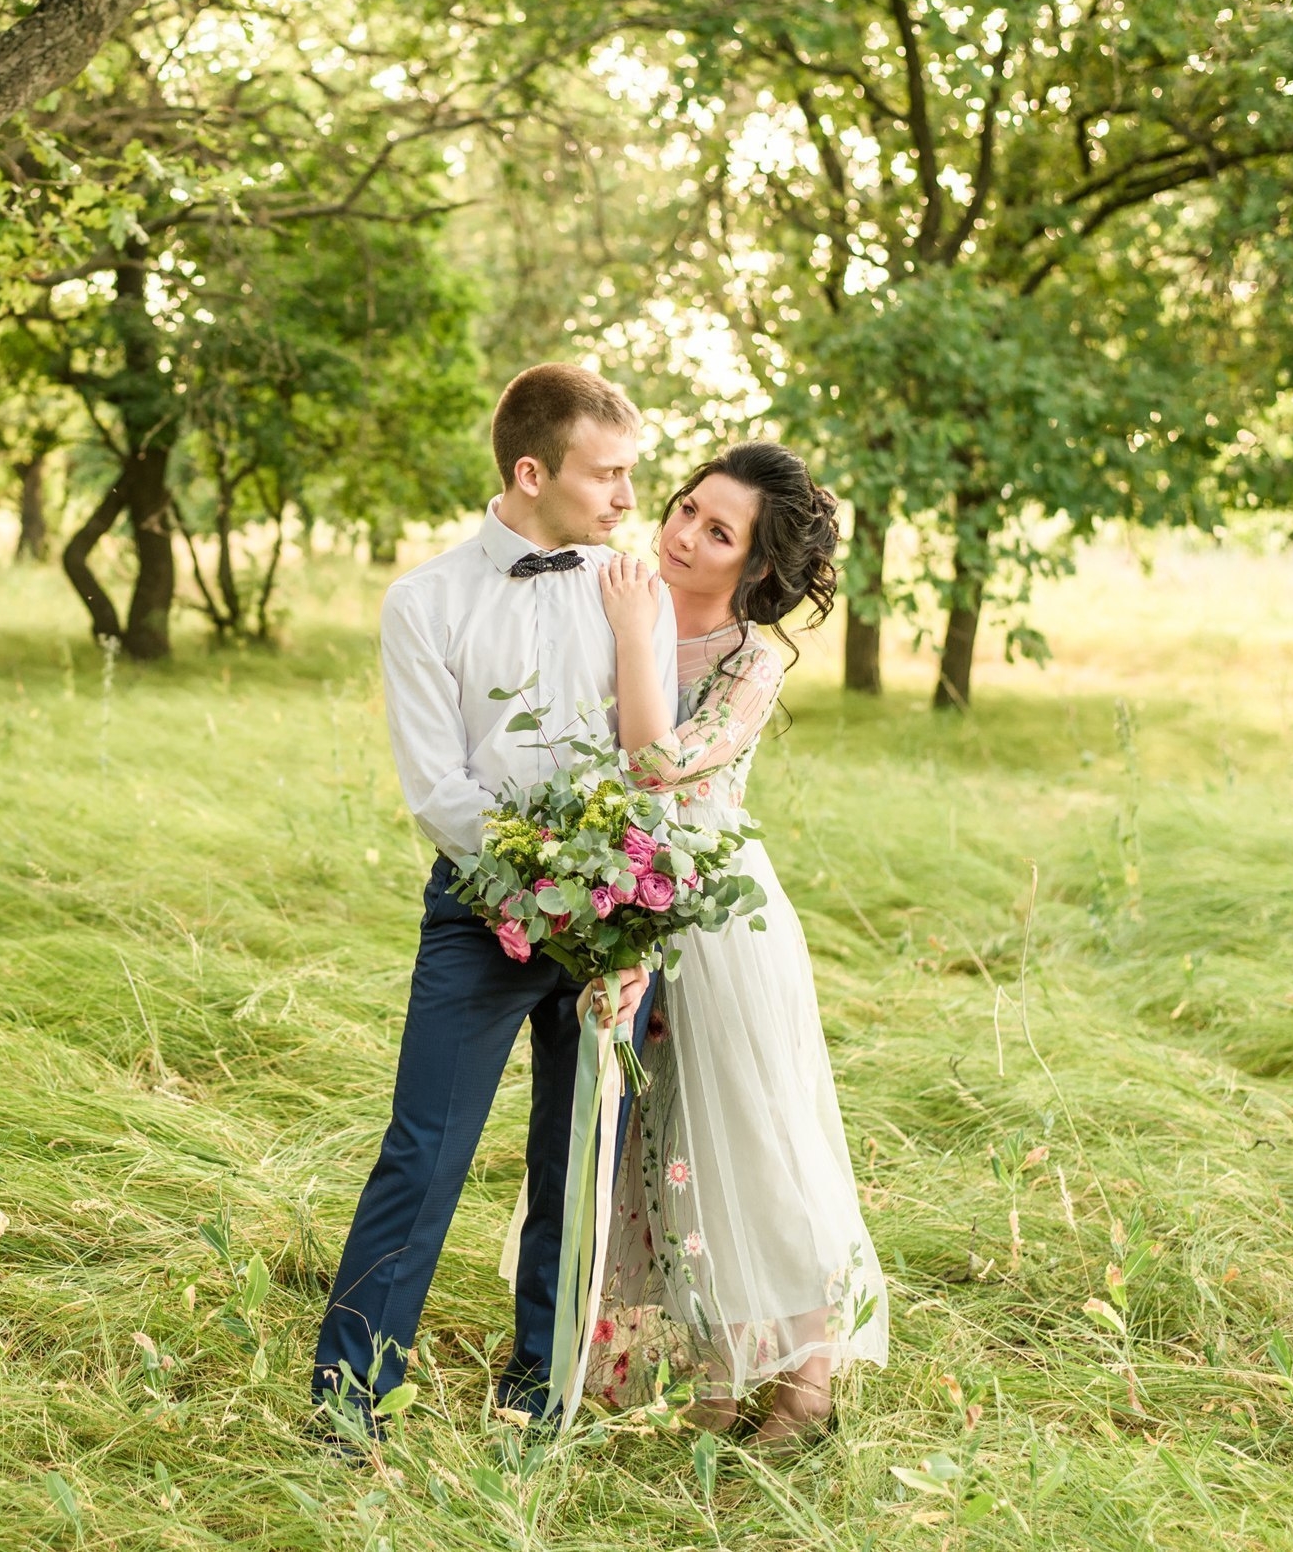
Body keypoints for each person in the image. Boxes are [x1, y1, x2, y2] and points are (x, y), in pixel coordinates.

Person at [312, 364, 676, 1431]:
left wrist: (614, 910)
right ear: (530, 471)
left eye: (629, 474)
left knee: (579, 1160)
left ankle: (542, 1392)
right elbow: (439, 789)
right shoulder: (423, 603)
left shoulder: (633, 588)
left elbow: (645, 757)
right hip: (481, 914)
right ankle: (349, 1399)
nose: (624, 499)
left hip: (617, 918)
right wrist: (543, 889)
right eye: (605, 475)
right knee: (423, 1153)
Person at [584, 440, 890, 1453]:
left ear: (756, 569)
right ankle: (718, 1374)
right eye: (683, 509)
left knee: (749, 1144)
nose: (678, 535)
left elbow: (658, 763)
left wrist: (637, 631)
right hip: (624, 904)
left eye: (717, 532)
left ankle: (805, 1386)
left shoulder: (750, 660)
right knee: (662, 1148)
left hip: (721, 920)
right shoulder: (611, 600)